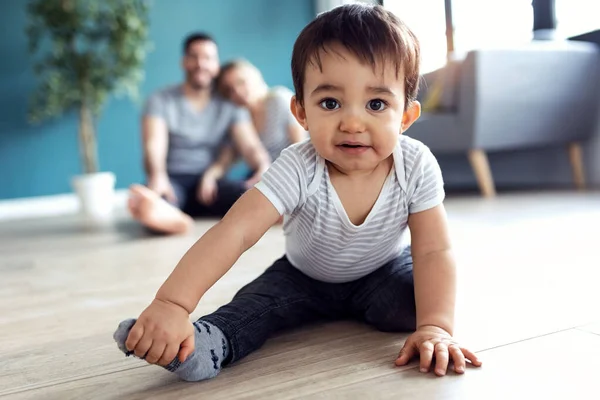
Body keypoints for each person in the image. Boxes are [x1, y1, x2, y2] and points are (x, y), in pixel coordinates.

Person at [114, 4, 482, 382]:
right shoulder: (297, 165)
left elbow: (433, 249)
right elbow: (235, 231)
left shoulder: (416, 164)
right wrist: (172, 302)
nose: (353, 122)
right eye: (330, 103)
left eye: (376, 104)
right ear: (301, 111)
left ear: (405, 116)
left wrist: (436, 326)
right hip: (302, 278)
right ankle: (204, 345)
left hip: (382, 272)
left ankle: (425, 325)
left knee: (420, 296)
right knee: (254, 308)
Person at [127, 33, 271, 235]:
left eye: (208, 58)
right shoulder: (160, 100)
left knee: (250, 195)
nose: (200, 64)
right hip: (172, 181)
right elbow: (154, 144)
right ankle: (168, 217)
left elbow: (250, 145)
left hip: (209, 184)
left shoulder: (231, 104)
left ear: (216, 65)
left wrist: (263, 166)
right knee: (160, 199)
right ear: (184, 62)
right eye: (194, 56)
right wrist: (157, 176)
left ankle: (272, 211)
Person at [216, 59, 308, 166]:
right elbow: (231, 155)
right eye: (230, 90)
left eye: (241, 82)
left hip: (296, 170)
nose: (237, 92)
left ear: (255, 75)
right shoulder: (241, 119)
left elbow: (301, 146)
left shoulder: (279, 98)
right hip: (267, 174)